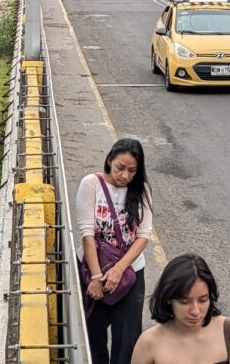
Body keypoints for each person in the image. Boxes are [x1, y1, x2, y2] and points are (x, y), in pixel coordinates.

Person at [77, 138, 153, 364]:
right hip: (94, 270)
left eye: (132, 171)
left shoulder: (142, 189)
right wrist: (97, 277)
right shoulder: (91, 184)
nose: (125, 176)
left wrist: (120, 269)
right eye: (120, 168)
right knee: (94, 334)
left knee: (127, 339)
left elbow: (143, 236)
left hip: (130, 273)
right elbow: (87, 234)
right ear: (110, 160)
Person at [131, 253, 230, 364]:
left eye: (203, 300)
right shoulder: (149, 344)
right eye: (184, 302)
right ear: (169, 299)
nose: (195, 311)